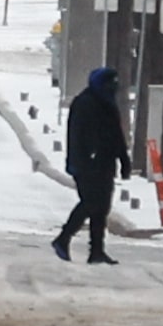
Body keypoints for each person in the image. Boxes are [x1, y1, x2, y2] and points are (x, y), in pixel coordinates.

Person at [52, 65, 129, 264]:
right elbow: (77, 135)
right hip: (87, 164)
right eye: (110, 83)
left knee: (101, 207)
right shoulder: (85, 103)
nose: (113, 87)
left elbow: (116, 135)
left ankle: (96, 250)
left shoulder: (108, 104)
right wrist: (85, 158)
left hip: (105, 163)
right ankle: (63, 238)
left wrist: (123, 159)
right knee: (90, 203)